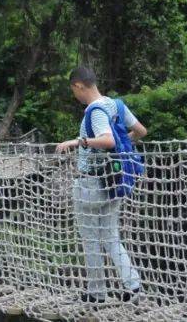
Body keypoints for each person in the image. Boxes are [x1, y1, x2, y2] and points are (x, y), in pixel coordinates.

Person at [56, 66, 146, 303]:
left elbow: (106, 139)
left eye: (73, 90)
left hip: (91, 183)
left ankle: (96, 293)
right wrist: (122, 147)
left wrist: (78, 142)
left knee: (91, 239)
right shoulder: (115, 105)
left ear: (78, 85)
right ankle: (134, 286)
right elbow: (140, 131)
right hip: (113, 182)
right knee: (110, 236)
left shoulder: (94, 110)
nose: (74, 94)